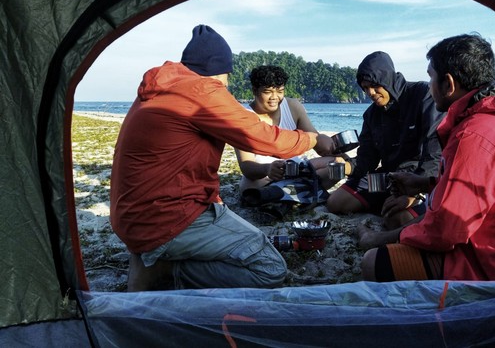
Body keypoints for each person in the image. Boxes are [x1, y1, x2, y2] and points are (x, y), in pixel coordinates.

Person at [110, 24, 334, 291]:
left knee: (248, 236)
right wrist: (312, 138)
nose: (227, 83)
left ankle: (157, 258)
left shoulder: (162, 89)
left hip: (134, 215)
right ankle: (168, 269)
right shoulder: (201, 92)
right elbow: (264, 138)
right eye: (227, 75)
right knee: (270, 269)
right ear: (219, 70)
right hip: (168, 218)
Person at [358, 33, 495, 283]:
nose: (429, 86)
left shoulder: (476, 134)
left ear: (448, 84)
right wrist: (424, 184)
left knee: (374, 263)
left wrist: (376, 239)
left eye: (431, 77)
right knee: (403, 220)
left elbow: (445, 232)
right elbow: (483, 191)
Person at [325, 51, 444, 229]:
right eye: (365, 88)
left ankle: (404, 205)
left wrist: (418, 188)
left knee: (398, 220)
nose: (370, 93)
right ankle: (386, 202)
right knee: (335, 202)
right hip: (387, 177)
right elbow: (367, 159)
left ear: (387, 79)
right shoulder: (371, 115)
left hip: (418, 175)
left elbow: (434, 149)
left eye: (374, 86)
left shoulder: (422, 94)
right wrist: (345, 166)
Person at [235, 65, 348, 193]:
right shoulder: (244, 118)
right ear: (254, 90)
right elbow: (246, 166)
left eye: (280, 91)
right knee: (249, 187)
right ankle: (298, 190)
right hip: (266, 176)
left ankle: (292, 190)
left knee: (338, 164)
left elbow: (318, 143)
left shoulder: (292, 106)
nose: (274, 97)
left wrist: (347, 157)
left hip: (298, 168)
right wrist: (268, 169)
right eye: (267, 92)